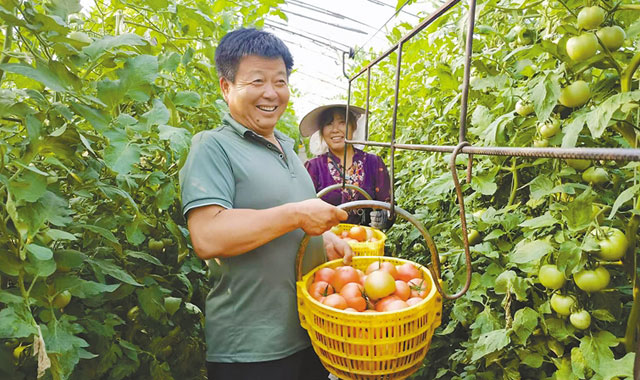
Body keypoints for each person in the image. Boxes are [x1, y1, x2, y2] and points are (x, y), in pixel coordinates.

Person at [178, 28, 353, 380]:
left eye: (280, 81)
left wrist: (323, 240)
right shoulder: (212, 147)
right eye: (256, 81)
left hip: (310, 334)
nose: (271, 93)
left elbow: (285, 224)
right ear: (226, 87)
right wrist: (297, 214)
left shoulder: (289, 149)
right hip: (253, 350)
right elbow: (208, 236)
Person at [300, 104, 392, 227]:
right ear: (322, 131)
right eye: (328, 124)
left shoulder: (373, 163)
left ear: (353, 126)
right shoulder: (314, 167)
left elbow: (388, 206)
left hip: (367, 242)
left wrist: (384, 217)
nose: (335, 129)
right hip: (326, 242)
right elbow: (304, 212)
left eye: (342, 122)